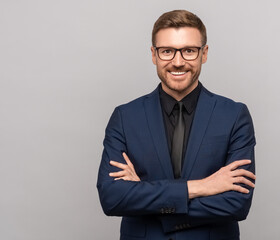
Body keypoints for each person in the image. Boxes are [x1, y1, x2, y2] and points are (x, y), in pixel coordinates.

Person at [97, 9, 256, 240]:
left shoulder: (234, 115)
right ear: (153, 54)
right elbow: (112, 197)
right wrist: (201, 187)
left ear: (204, 53)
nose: (178, 62)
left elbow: (237, 203)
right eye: (167, 51)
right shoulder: (124, 117)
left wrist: (144, 195)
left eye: (189, 51)